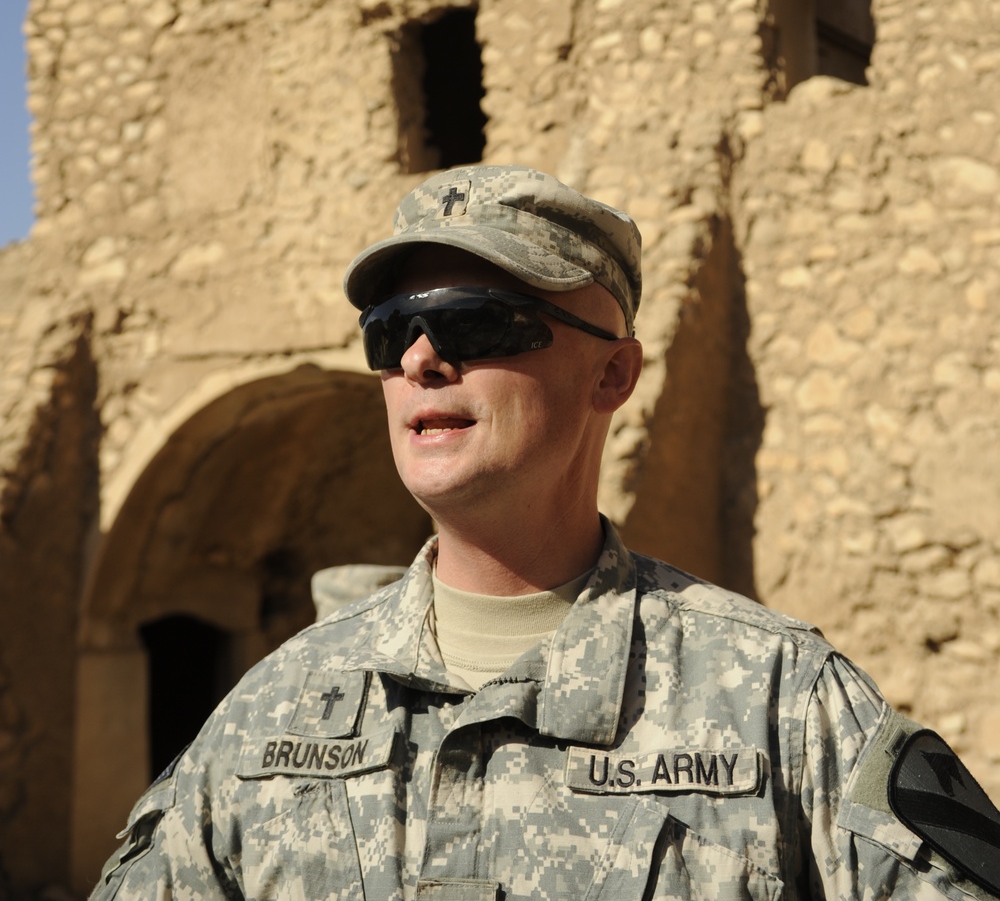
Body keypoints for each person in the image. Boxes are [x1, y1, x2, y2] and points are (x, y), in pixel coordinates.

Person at [94, 164, 1000, 900]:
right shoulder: (268, 715)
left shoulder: (782, 704)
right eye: (388, 331)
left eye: (476, 322)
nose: (420, 358)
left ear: (612, 374)